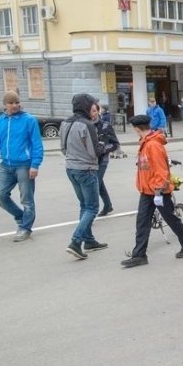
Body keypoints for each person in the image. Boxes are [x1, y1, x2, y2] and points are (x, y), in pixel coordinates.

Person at [120, 115, 183, 267]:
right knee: (143, 222)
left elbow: (160, 171)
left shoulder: (152, 145)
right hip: (148, 190)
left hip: (156, 191)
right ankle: (139, 255)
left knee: (170, 219)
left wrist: (158, 193)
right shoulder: (147, 143)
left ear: (136, 129)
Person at [0, 91, 44, 242]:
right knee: (0, 195)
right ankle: (20, 217)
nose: (15, 105)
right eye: (11, 103)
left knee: (27, 199)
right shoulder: (0, 121)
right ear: (5, 105)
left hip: (24, 165)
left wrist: (35, 164)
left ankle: (25, 228)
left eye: (17, 102)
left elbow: (37, 144)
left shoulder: (29, 120)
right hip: (6, 165)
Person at [59, 94, 106, 259]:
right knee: (92, 207)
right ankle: (76, 241)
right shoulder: (87, 125)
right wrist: (104, 147)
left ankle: (89, 240)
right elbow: (95, 152)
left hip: (71, 168)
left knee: (84, 205)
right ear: (87, 106)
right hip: (86, 169)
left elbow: (63, 148)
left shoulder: (66, 122)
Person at [95, 105, 121, 217]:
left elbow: (115, 144)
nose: (92, 113)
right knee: (99, 183)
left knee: (95, 184)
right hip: (90, 160)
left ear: (98, 111)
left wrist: (103, 149)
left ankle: (90, 211)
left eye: (94, 111)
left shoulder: (105, 126)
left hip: (102, 160)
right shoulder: (86, 125)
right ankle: (108, 205)